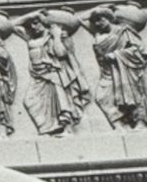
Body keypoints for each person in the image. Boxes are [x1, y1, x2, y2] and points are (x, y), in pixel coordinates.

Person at [12, 8, 89, 136]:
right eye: (31, 24)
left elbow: (61, 53)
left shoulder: (53, 37)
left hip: (53, 75)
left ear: (45, 24)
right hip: (38, 76)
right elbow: (13, 25)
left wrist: (57, 36)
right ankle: (48, 129)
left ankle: (67, 129)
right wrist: (32, 14)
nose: (33, 26)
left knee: (62, 103)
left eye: (36, 22)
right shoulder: (30, 38)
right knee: (30, 102)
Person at [82, 3, 147, 129]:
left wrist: (116, 55)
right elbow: (80, 19)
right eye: (95, 21)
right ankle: (119, 125)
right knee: (102, 97)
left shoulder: (123, 31)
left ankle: (140, 123)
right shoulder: (97, 35)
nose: (98, 24)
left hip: (126, 69)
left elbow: (139, 49)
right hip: (108, 72)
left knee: (132, 94)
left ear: (109, 18)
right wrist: (98, 7)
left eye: (101, 19)